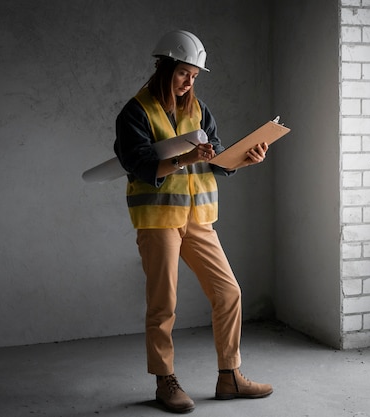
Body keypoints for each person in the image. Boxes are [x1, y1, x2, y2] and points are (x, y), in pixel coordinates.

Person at [114, 30, 272, 414]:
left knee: (228, 292)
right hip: (159, 221)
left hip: (198, 219)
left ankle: (230, 377)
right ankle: (164, 380)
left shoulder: (199, 111)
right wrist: (185, 158)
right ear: (166, 68)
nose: (190, 82)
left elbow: (214, 161)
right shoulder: (135, 113)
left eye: (195, 76)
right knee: (163, 303)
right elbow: (138, 164)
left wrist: (241, 160)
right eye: (185, 73)